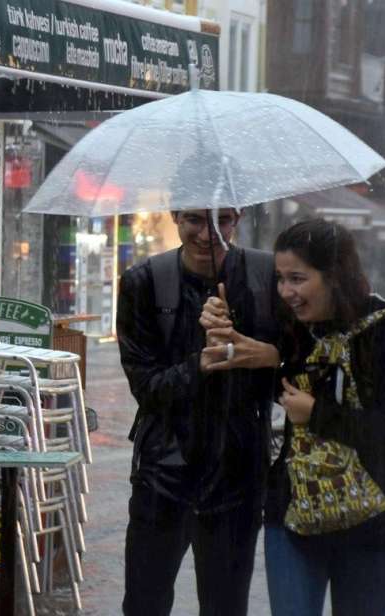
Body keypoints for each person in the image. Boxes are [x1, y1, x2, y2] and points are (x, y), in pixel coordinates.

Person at [200, 218, 385, 616]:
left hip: (369, 528)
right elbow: (244, 393)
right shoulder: (288, 326)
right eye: (281, 279)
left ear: (336, 274)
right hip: (291, 519)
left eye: (298, 279)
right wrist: (224, 333)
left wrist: (318, 413)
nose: (287, 292)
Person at [116, 207, 279, 616]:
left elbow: (296, 372)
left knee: (225, 606)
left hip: (239, 474)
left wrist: (262, 353)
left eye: (223, 220)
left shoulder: (265, 278)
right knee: (144, 603)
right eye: (195, 220)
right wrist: (200, 363)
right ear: (174, 216)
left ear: (238, 216)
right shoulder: (145, 283)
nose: (209, 234)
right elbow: (147, 388)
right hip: (163, 471)